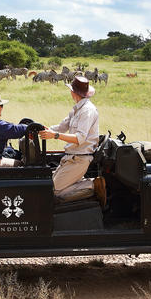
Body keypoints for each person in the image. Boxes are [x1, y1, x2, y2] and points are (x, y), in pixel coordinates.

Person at [38, 76, 105, 204]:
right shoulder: (77, 109)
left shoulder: (87, 111)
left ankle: (92, 185)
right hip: (71, 158)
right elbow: (62, 127)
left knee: (54, 191)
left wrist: (55, 135)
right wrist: (43, 129)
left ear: (73, 92)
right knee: (49, 186)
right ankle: (80, 183)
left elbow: (79, 138)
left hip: (79, 159)